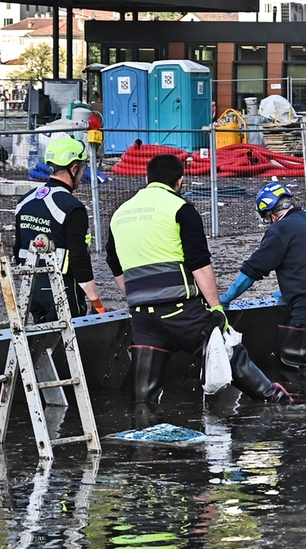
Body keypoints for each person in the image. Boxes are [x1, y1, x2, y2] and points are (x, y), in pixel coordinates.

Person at [107, 153, 290, 405]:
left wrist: (134, 295)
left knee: (145, 391)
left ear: (147, 178)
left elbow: (114, 262)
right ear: (180, 180)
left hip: (141, 315)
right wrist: (216, 307)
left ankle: (145, 430)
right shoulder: (180, 208)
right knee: (225, 348)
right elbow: (199, 263)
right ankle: (276, 400)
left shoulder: (120, 214)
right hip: (180, 311)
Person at [220, 183, 306, 383]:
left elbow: (253, 269)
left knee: (290, 364)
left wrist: (227, 297)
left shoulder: (280, 229)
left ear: (271, 212)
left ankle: (297, 410)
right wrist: (285, 292)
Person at [14, 137, 104, 320]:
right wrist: (96, 303)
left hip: (31, 290)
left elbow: (18, 248)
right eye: (82, 168)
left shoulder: (25, 201)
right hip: (62, 289)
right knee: (70, 345)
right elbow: (79, 260)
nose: (81, 175)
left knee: (42, 343)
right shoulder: (72, 207)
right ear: (73, 168)